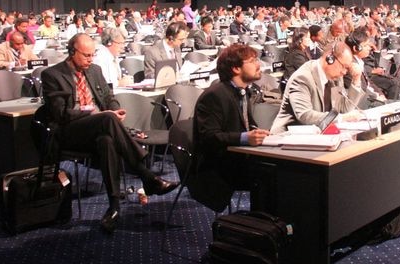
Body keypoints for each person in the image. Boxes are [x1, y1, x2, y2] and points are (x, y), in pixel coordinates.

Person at [35, 34, 178, 233]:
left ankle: (113, 207)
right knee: (107, 119)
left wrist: (115, 109)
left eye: (92, 55)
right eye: (85, 55)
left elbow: (109, 98)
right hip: (69, 131)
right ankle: (146, 175)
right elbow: (60, 115)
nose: (90, 59)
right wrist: (94, 112)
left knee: (107, 141)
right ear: (72, 51)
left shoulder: (94, 70)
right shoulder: (52, 75)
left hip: (99, 128)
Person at [193, 44, 270, 211]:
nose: (259, 64)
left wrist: (258, 133)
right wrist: (244, 138)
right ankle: (262, 226)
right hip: (221, 167)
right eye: (252, 61)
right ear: (236, 68)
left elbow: (246, 123)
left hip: (240, 159)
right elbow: (209, 137)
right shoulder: (215, 95)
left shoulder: (244, 91)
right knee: (276, 176)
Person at [270, 41, 365, 133]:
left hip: (317, 136)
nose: (344, 72)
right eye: (343, 66)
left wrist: (356, 79)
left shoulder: (336, 78)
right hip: (286, 138)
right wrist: (342, 118)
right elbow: (304, 115)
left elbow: (343, 109)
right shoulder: (303, 77)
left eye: (347, 68)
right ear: (330, 58)